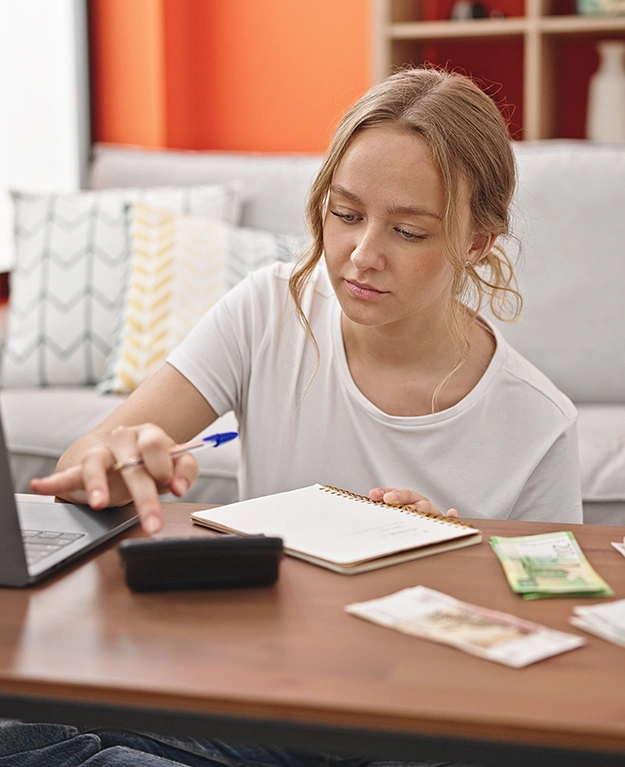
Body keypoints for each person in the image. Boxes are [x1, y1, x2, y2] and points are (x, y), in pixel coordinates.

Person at [6, 65, 582, 767]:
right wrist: (115, 462)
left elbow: (553, 665)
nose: (361, 256)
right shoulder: (267, 309)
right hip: (260, 693)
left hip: (404, 722)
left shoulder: (536, 423)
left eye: (407, 230)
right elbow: (81, 465)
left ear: (475, 242)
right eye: (345, 215)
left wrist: (452, 570)